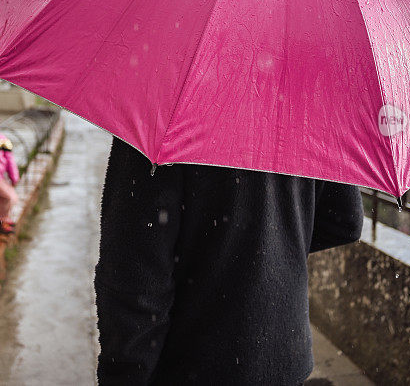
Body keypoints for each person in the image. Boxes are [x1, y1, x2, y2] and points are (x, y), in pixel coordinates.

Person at [95, 136, 365, 385]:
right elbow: (344, 222)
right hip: (284, 359)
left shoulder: (160, 112)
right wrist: (270, 248)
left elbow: (132, 278)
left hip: (195, 366)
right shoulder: (305, 104)